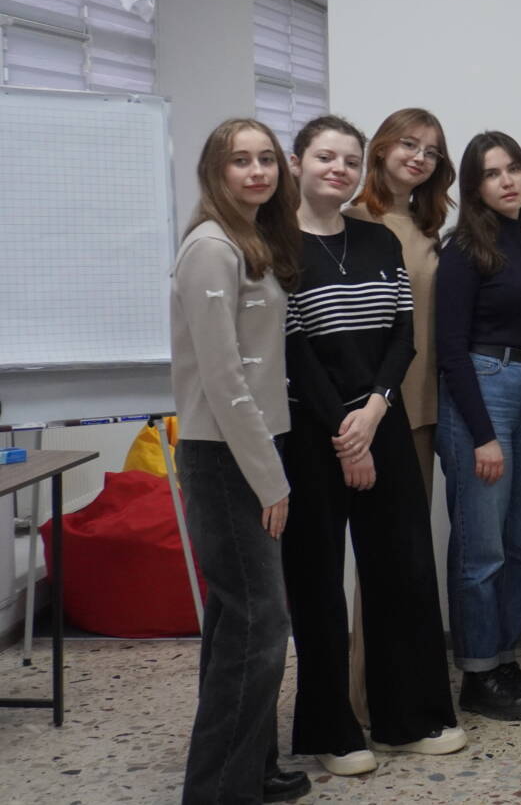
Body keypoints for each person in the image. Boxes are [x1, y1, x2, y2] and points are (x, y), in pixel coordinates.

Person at [280, 115, 464, 776]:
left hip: (381, 418)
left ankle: (406, 720)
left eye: (349, 160)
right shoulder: (276, 245)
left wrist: (376, 408)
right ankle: (333, 732)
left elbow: (403, 334)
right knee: (318, 581)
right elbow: (293, 350)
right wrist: (344, 429)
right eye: (325, 157)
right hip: (312, 431)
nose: (339, 168)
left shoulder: (377, 238)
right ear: (297, 163)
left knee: (404, 569)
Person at [172, 118, 309, 805]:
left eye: (266, 160)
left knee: (239, 620)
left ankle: (249, 767)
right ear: (215, 172)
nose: (257, 172)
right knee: (260, 623)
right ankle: (218, 791)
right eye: (240, 161)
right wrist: (270, 479)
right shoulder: (209, 248)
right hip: (226, 455)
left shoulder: (248, 240)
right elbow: (225, 379)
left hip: (252, 446)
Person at [435, 132, 521, 722]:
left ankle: (504, 660)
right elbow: (450, 348)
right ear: (474, 188)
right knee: (481, 550)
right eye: (491, 173)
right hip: (483, 392)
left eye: (514, 169)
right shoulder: (462, 248)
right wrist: (482, 434)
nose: (507, 181)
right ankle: (477, 673)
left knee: (520, 547)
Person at [343, 107, 455, 726]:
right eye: (409, 144)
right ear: (381, 148)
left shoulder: (429, 227)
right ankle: (361, 698)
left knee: (406, 558)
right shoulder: (352, 220)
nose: (419, 157)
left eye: (431, 151)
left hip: (423, 409)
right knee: (378, 560)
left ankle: (398, 691)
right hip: (370, 411)